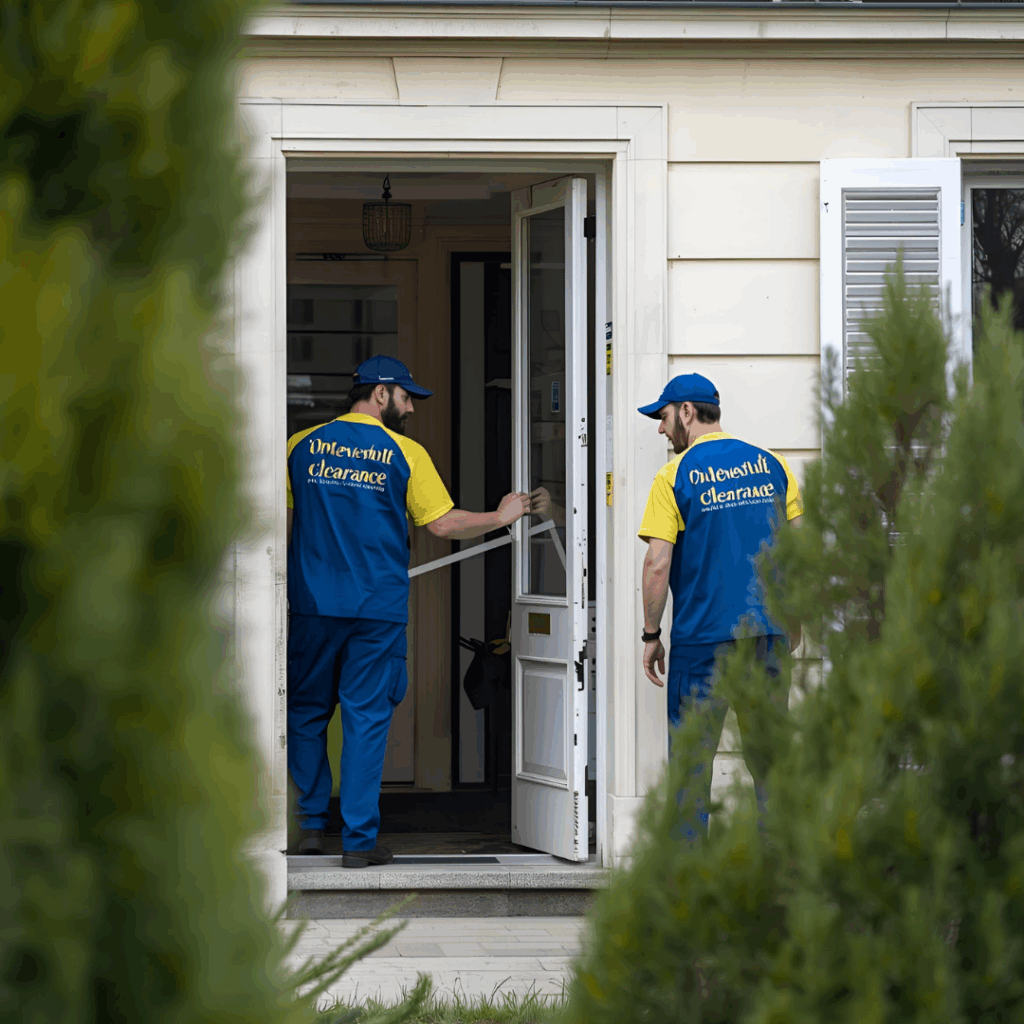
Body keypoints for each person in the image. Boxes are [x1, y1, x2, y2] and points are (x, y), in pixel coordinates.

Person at [286, 355, 529, 865]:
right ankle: (358, 843)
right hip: (377, 609)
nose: (412, 409)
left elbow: (282, 521)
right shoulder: (404, 453)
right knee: (366, 718)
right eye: (407, 397)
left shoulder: (300, 447)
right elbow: (442, 524)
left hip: (310, 604)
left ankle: (309, 826)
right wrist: (501, 516)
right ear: (380, 394)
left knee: (306, 713)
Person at [636, 373, 802, 842]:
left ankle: (689, 891)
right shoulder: (773, 465)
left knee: (691, 766)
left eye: (664, 417)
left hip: (702, 640)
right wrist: (795, 621)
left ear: (687, 412)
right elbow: (798, 550)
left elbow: (657, 563)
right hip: (767, 636)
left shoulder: (674, 477)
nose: (662, 429)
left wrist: (651, 636)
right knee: (772, 763)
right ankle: (783, 879)